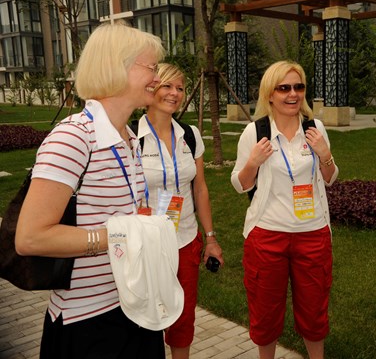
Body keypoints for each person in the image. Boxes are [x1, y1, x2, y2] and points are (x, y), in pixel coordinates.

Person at [15, 22, 168, 358]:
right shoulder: (72, 137)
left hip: (134, 307)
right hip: (87, 324)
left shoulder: (129, 138)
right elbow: (30, 238)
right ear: (117, 65)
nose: (157, 78)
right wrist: (117, 236)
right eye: (151, 67)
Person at [230, 60, 338, 359]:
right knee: (266, 313)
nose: (293, 94)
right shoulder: (255, 132)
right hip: (267, 235)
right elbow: (240, 184)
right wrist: (253, 162)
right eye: (284, 88)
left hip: (312, 233)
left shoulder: (315, 129)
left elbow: (329, 178)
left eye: (299, 87)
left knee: (314, 312)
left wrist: (326, 155)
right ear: (270, 94)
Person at [136, 63, 224, 359]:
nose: (174, 93)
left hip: (186, 240)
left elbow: (199, 189)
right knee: (145, 320)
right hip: (146, 246)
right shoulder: (130, 137)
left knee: (183, 318)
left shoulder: (190, 134)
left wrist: (210, 238)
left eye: (180, 88)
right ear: (151, 88)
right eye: (167, 86)